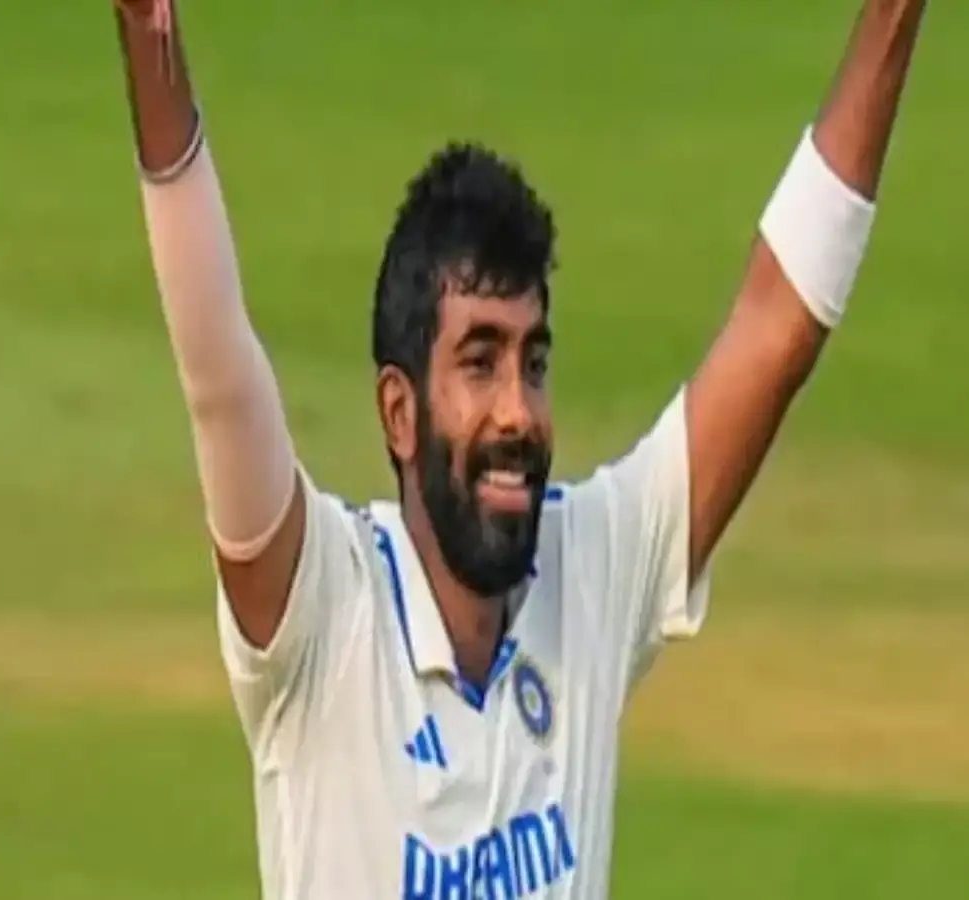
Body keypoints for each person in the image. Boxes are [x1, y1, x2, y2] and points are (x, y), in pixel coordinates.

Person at [111, 0, 927, 896]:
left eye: (532, 362)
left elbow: (776, 325)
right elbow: (218, 373)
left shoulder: (591, 571)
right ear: (399, 412)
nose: (518, 413)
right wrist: (152, 49)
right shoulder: (324, 615)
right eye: (480, 360)